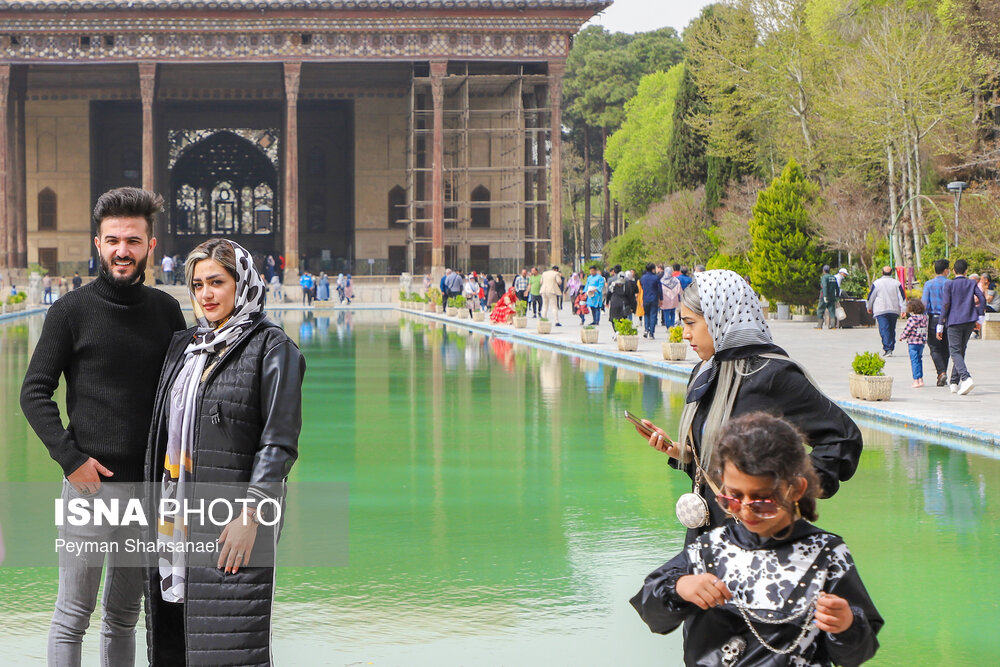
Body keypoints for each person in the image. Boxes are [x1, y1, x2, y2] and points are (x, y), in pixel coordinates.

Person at [20, 187, 186, 666]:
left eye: (133, 241)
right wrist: (71, 461)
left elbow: (181, 395)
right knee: (73, 613)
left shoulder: (165, 311)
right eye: (113, 240)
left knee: (124, 615)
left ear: (151, 246)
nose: (122, 251)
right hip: (90, 488)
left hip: (147, 493)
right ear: (97, 243)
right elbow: (33, 392)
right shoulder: (71, 311)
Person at [145, 238, 305, 666]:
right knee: (175, 644)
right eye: (197, 285)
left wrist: (250, 517)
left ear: (242, 283)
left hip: (233, 523)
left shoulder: (273, 349)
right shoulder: (186, 347)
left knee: (233, 644)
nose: (206, 295)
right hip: (174, 524)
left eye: (217, 282)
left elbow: (279, 443)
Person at [631, 412, 882, 667]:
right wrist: (681, 587)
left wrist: (847, 625)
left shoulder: (827, 555)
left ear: (795, 489)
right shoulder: (711, 549)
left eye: (761, 499)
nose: (746, 509)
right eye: (732, 498)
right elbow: (652, 612)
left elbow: (857, 653)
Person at [635, 270, 862, 544]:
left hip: (761, 542)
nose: (684, 334)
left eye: (691, 323)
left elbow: (843, 438)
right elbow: (720, 467)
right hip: (706, 540)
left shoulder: (773, 374)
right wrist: (681, 452)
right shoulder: (704, 373)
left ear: (720, 319)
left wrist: (780, 491)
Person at [937, 259, 985, 395]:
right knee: (960, 350)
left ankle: (966, 377)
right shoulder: (971, 283)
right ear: (966, 271)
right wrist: (980, 315)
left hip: (954, 321)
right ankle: (954, 382)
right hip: (969, 321)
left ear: (953, 271)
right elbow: (981, 298)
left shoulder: (949, 284)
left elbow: (946, 304)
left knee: (955, 351)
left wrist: (940, 324)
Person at [921, 259, 950, 386]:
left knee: (934, 347)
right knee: (946, 347)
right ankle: (942, 373)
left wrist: (921, 320)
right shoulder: (951, 283)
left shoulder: (929, 284)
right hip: (949, 319)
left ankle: (941, 372)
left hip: (934, 318)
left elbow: (924, 304)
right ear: (945, 270)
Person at [865, 267, 906, 356]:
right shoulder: (896, 283)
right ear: (891, 273)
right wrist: (903, 309)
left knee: (884, 329)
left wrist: (869, 307)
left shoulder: (877, 283)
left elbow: (870, 297)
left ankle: (888, 348)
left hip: (881, 309)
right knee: (891, 329)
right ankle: (890, 347)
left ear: (882, 272)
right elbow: (902, 297)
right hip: (893, 309)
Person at [899, 298, 928, 388]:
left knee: (914, 361)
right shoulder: (924, 318)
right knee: (919, 360)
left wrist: (902, 336)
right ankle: (921, 379)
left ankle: (916, 380)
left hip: (913, 342)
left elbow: (908, 329)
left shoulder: (912, 319)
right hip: (921, 342)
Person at [639, 263, 662, 339]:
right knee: (653, 315)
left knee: (646, 314)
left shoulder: (643, 278)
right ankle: (651, 333)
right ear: (653, 269)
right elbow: (659, 289)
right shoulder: (656, 278)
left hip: (645, 298)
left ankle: (646, 329)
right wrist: (661, 299)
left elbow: (642, 287)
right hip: (654, 298)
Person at [816, 265, 839, 330]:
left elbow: (825, 286)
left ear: (823, 270)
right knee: (832, 311)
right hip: (832, 297)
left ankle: (819, 325)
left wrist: (825, 296)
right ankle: (833, 325)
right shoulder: (833, 277)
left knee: (820, 310)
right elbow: (837, 287)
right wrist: (837, 296)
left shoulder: (824, 277)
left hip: (824, 297)